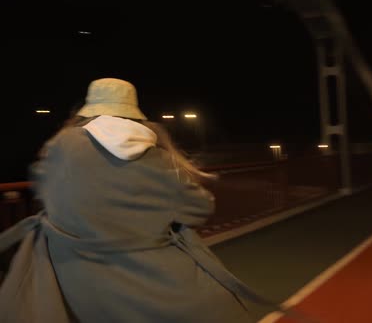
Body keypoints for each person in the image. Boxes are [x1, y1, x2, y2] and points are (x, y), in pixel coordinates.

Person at [0, 78, 260, 322]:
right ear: (132, 110)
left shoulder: (62, 144)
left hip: (76, 285)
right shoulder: (156, 153)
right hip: (154, 285)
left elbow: (45, 190)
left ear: (89, 108)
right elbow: (199, 207)